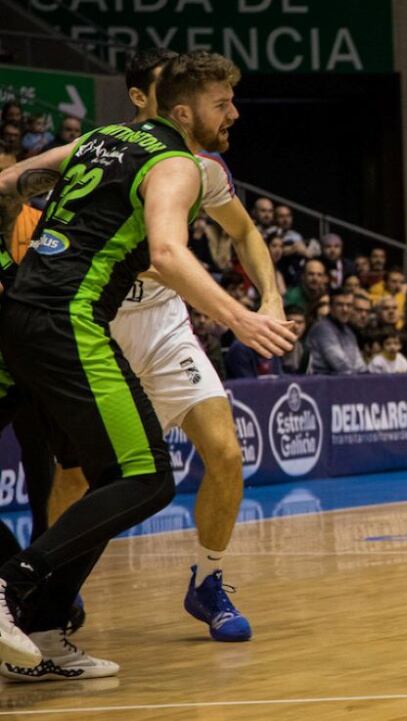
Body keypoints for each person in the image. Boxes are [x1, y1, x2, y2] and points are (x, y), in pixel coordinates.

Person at [0, 51, 296, 673]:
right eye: (223, 104)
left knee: (178, 464)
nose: (235, 113)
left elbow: (9, 182)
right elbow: (165, 251)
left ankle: (46, 627)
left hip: (81, 318)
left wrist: (268, 295)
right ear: (179, 108)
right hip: (79, 320)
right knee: (135, 478)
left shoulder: (107, 142)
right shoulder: (170, 163)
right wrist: (241, 318)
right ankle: (20, 583)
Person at [307, 288, 365, 375]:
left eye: (349, 305)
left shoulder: (349, 332)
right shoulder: (322, 328)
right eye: (340, 305)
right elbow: (339, 365)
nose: (345, 309)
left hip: (345, 381)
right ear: (331, 307)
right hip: (321, 383)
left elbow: (360, 367)